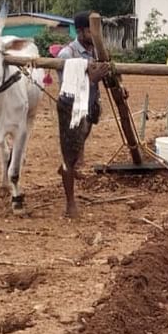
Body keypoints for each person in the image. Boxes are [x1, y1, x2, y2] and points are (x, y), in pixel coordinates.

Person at [55, 11, 114, 217]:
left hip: (88, 108)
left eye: (96, 31)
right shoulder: (67, 54)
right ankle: (70, 204)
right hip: (70, 110)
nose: (94, 35)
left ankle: (67, 168)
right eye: (90, 30)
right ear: (80, 31)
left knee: (77, 148)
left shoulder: (97, 52)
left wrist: (117, 85)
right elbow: (67, 88)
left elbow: (110, 74)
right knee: (70, 157)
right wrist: (92, 79)